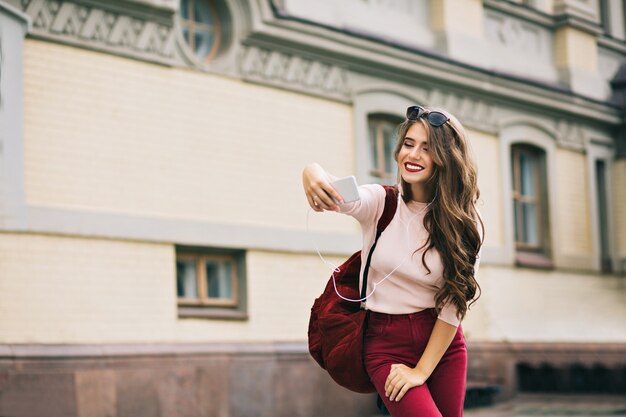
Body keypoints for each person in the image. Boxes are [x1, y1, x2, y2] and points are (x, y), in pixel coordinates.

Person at [302, 105, 484, 417]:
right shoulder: (380, 202)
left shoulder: (465, 224)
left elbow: (454, 308)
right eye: (408, 144)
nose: (413, 155)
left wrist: (421, 370)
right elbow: (336, 188)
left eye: (427, 148)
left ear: (447, 158)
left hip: (442, 341)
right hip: (385, 343)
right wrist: (312, 172)